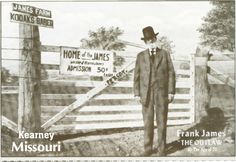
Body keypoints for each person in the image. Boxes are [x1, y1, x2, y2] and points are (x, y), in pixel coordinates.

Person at [133, 26, 176, 156]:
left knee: (162, 121)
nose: (150, 43)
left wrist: (171, 91)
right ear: (145, 42)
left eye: (152, 40)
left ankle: (162, 149)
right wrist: (136, 93)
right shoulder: (140, 56)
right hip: (146, 94)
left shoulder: (165, 54)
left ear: (155, 39)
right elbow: (137, 76)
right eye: (147, 41)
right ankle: (148, 149)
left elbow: (171, 73)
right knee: (148, 121)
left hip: (161, 93)